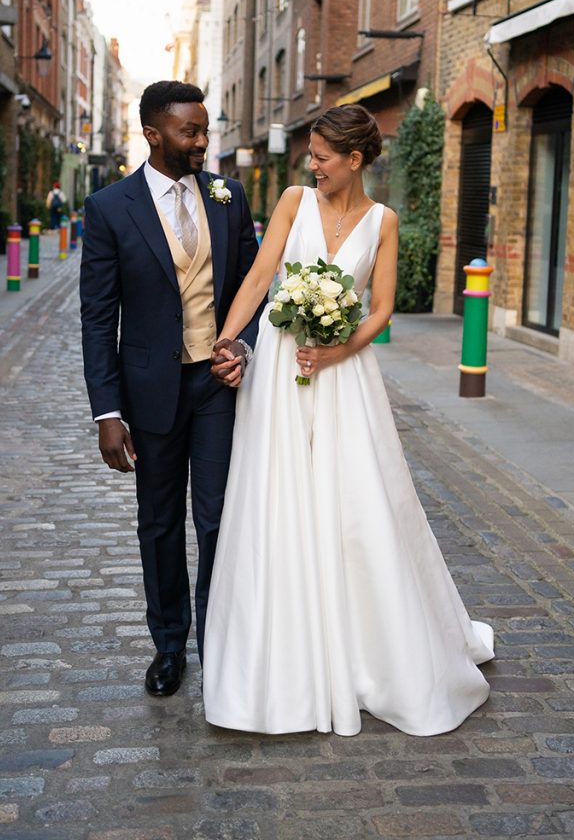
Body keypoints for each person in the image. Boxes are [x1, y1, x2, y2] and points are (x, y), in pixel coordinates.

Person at [203, 104, 494, 738]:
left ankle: (375, 647)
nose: (313, 164)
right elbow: (258, 278)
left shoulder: (384, 222)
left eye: (323, 157)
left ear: (355, 160)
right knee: (279, 496)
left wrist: (339, 349)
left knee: (358, 500)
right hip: (284, 370)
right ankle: (290, 650)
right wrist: (224, 341)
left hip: (344, 373)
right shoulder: (291, 202)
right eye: (311, 154)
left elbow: (382, 307)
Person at [79, 80, 262, 698]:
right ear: (154, 135)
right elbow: (99, 317)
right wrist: (107, 412)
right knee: (159, 524)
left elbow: (250, 292)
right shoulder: (110, 208)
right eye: (191, 131)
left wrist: (241, 345)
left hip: (215, 387)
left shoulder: (229, 196)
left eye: (205, 129)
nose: (203, 141)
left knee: (216, 521)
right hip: (150, 390)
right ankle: (168, 645)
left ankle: (218, 644)